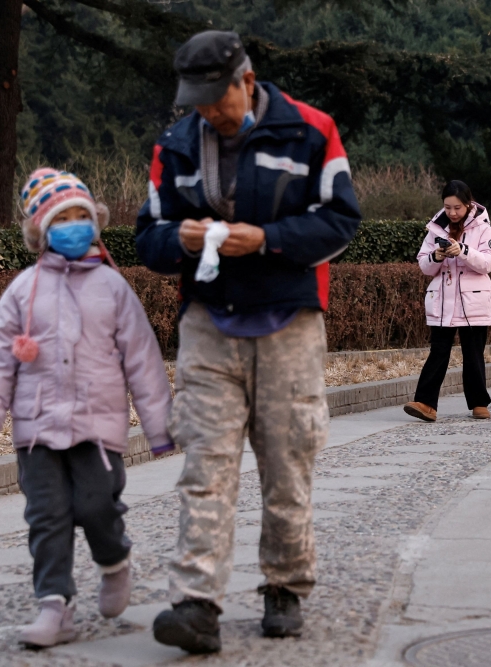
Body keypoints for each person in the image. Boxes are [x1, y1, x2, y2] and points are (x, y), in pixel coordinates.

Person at [134, 31, 361, 653]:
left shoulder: (311, 131)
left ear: (247, 81)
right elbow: (145, 236)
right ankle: (195, 602)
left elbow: (342, 222)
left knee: (289, 462)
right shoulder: (175, 145)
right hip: (208, 322)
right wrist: (176, 237)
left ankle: (285, 586)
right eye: (197, 101)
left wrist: (265, 240)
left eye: (217, 99)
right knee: (205, 464)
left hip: (290, 320)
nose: (208, 111)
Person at [0, 169, 173, 648]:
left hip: (98, 428)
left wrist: (159, 426)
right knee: (47, 516)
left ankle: (114, 562)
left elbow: (142, 358)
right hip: (37, 430)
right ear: (42, 230)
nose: (75, 225)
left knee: (97, 505)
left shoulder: (113, 287)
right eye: (64, 218)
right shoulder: (23, 289)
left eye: (84, 216)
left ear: (96, 224)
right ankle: (54, 606)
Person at [402, 180, 491, 422]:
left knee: (473, 353)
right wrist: (436, 256)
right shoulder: (435, 229)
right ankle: (425, 403)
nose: (452, 213)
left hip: (473, 301)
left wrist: (464, 251)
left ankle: (479, 403)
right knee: (438, 351)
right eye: (447, 207)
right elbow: (424, 265)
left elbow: (490, 262)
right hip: (443, 301)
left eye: (457, 208)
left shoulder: (484, 229)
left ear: (468, 205)